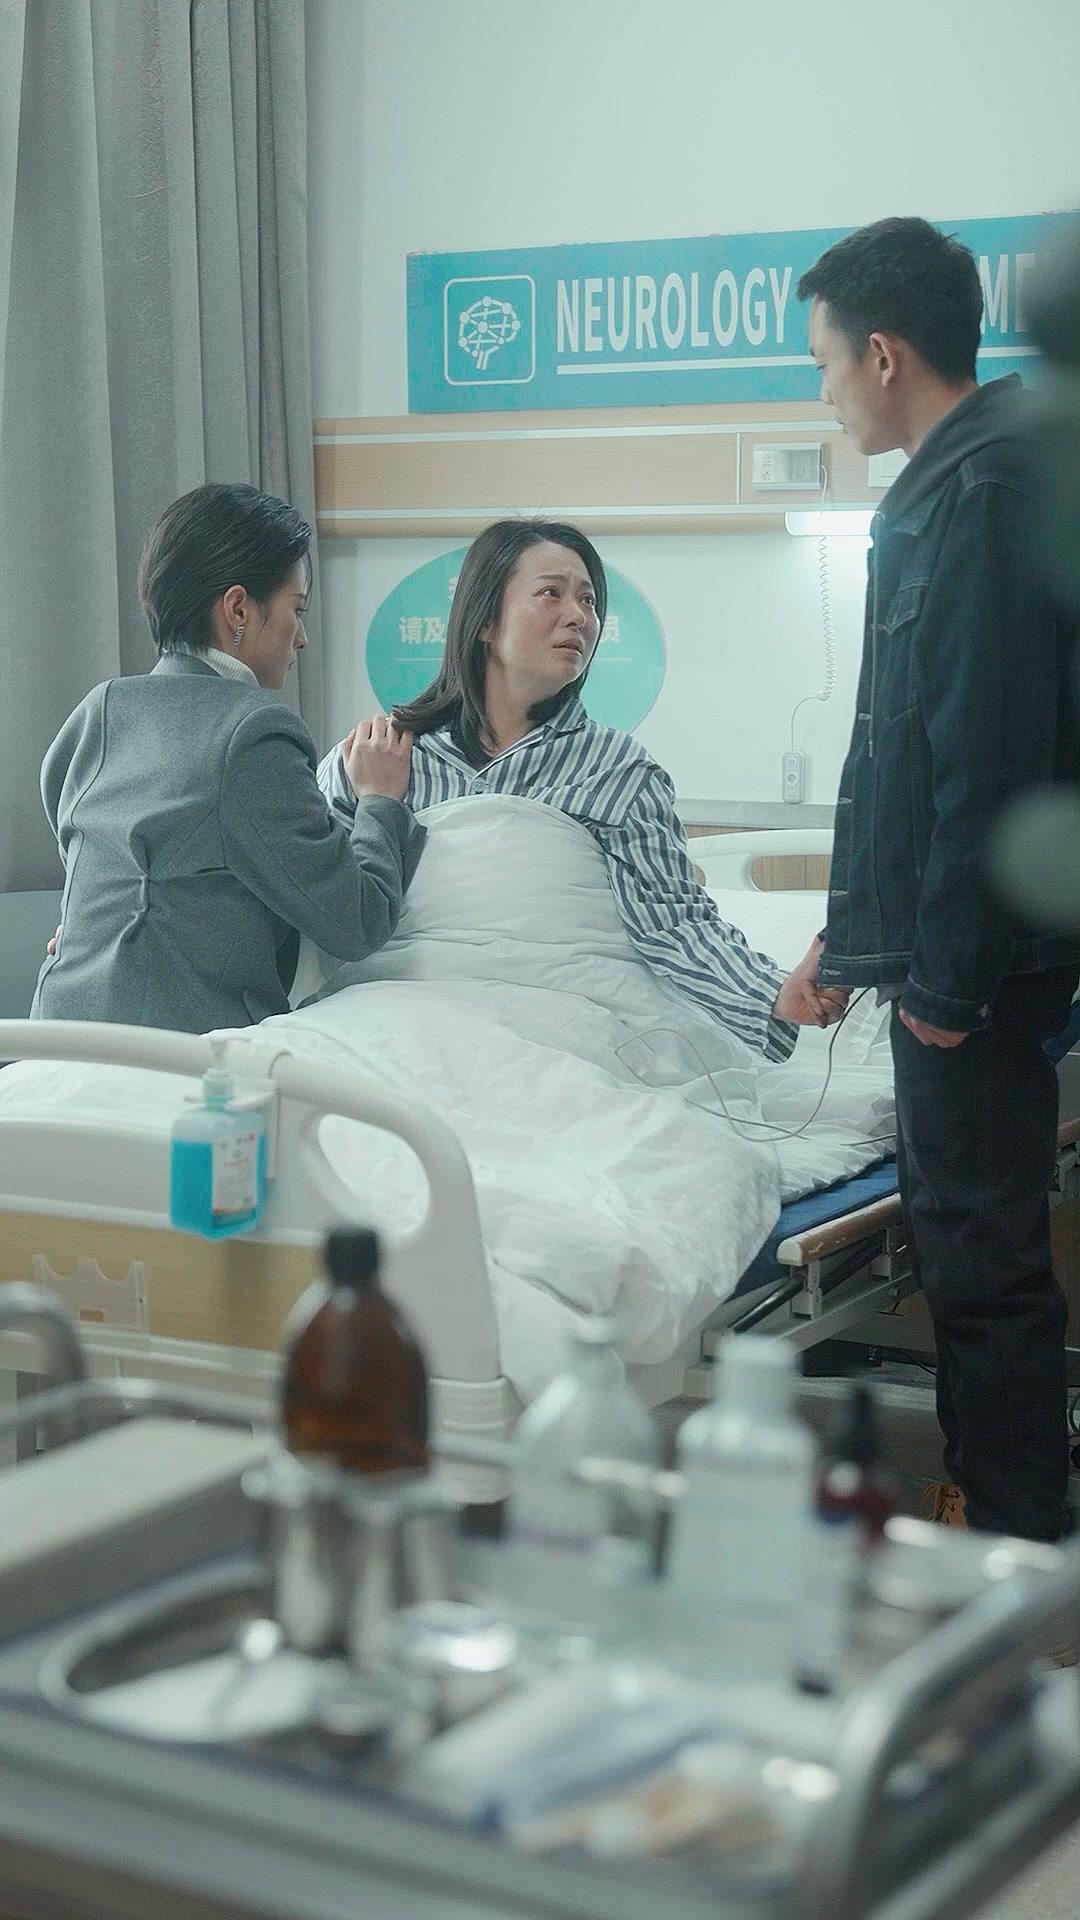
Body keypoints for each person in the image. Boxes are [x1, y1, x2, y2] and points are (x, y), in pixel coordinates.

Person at [793, 216, 1080, 1542]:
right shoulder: (960, 484)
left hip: (981, 969)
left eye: (824, 364)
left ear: (884, 353)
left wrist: (946, 987)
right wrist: (849, 940)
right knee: (975, 1254)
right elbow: (900, 758)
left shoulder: (982, 494)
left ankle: (1016, 1567)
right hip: (953, 952)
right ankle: (1006, 1528)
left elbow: (990, 761)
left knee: (982, 1264)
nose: (825, 393)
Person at [317, 517, 840, 1060]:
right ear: (485, 620)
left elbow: (674, 922)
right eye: (551, 593)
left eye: (588, 601)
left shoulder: (617, 771)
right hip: (400, 1013)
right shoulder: (379, 755)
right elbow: (319, 901)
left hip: (553, 1025)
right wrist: (377, 801)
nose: (579, 617)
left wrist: (773, 995)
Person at [33, 483, 425, 1033]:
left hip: (53, 1036)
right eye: (297, 609)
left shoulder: (99, 709)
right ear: (238, 608)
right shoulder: (254, 732)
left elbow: (81, 847)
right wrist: (380, 800)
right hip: (179, 1052)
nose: (302, 637)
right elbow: (357, 922)